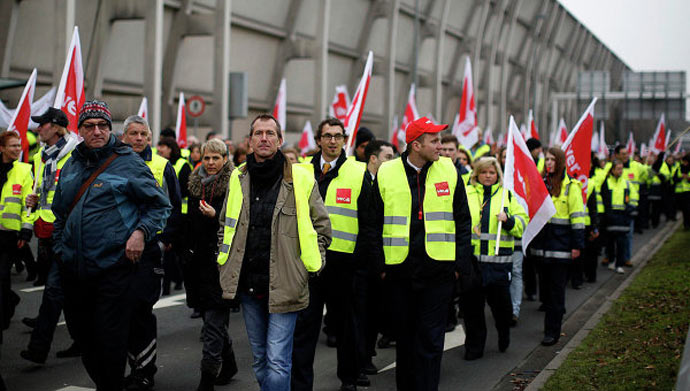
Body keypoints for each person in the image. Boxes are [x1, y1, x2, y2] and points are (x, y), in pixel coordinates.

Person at [51, 100, 171, 391]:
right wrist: (59, 246)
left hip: (113, 269)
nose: (97, 131)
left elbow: (160, 206)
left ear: (110, 129)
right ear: (79, 130)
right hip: (75, 269)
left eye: (103, 125)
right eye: (90, 126)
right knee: (83, 336)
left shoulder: (128, 163)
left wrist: (141, 233)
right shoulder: (70, 165)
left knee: (110, 339)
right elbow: (60, 212)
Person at [216, 114, 331, 391]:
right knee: (259, 360)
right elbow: (225, 225)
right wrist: (224, 262)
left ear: (280, 140)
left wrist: (305, 268)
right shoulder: (238, 177)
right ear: (250, 141)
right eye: (258, 133)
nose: (264, 138)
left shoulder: (301, 179)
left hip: (286, 284)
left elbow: (322, 228)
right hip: (249, 284)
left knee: (278, 361)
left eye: (270, 133)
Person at [368, 116, 472, 390]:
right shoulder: (387, 172)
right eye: (434, 140)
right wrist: (380, 265)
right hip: (398, 272)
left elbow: (463, 219)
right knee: (405, 340)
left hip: (438, 272)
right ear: (416, 145)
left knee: (430, 340)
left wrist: (459, 263)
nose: (441, 146)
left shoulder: (449, 170)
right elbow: (372, 222)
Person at [292, 117, 372, 391]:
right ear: (318, 140)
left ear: (344, 139)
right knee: (305, 327)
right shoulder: (301, 171)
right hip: (308, 261)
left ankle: (348, 378)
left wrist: (361, 260)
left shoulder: (359, 172)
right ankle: (301, 384)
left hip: (344, 262)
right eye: (328, 136)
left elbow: (369, 220)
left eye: (338, 136)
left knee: (345, 326)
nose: (333, 140)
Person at [120, 115, 183, 390]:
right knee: (123, 311)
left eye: (143, 134)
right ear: (123, 137)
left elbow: (174, 205)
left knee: (141, 309)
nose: (138, 138)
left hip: (149, 251)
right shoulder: (113, 164)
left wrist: (164, 240)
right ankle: (132, 367)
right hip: (117, 251)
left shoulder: (162, 166)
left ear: (149, 138)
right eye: (132, 133)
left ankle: (145, 370)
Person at [20, 108, 81, 365]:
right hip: (47, 230)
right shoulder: (42, 156)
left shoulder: (76, 155)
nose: (37, 129)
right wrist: (34, 199)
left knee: (54, 291)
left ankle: (38, 348)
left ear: (56, 128)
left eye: (42, 125)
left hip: (70, 232)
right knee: (69, 292)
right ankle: (83, 340)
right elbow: (44, 189)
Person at [185, 138, 238, 391]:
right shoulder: (194, 183)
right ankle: (229, 365)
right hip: (198, 262)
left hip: (222, 262)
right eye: (206, 158)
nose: (211, 163)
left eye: (216, 158)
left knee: (214, 323)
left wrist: (216, 216)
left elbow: (239, 222)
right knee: (209, 319)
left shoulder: (236, 183)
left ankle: (207, 378)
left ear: (225, 159)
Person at [462, 157, 528, 359]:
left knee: (502, 309)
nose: (488, 176)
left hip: (499, 264)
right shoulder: (466, 193)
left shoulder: (506, 195)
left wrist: (508, 220)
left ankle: (504, 332)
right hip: (473, 264)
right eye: (484, 172)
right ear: (477, 174)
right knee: (472, 310)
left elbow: (522, 223)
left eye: (491, 173)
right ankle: (474, 348)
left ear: (497, 175)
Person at [529, 147, 584, 346]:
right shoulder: (541, 184)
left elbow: (578, 219)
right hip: (541, 248)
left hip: (561, 248)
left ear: (560, 162)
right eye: (546, 159)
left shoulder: (572, 187)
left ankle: (552, 331)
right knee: (546, 292)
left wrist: (577, 245)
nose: (548, 162)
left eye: (552, 159)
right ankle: (552, 322)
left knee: (556, 292)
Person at [1, 130, 33, 338]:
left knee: (3, 275)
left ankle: (3, 317)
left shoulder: (24, 169)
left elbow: (27, 204)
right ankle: (10, 299)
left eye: (18, 145)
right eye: (12, 145)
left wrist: (26, 231)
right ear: (2, 148)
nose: (17, 149)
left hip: (10, 235)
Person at [156, 137, 191, 295]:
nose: (160, 148)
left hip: (182, 216)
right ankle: (167, 284)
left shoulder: (182, 165)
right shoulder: (158, 163)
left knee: (178, 253)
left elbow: (185, 191)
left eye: (164, 146)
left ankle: (178, 279)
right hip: (166, 214)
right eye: (159, 145)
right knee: (169, 254)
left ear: (171, 148)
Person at [600, 160, 634, 274]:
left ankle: (619, 264)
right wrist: (609, 215)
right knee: (610, 241)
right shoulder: (607, 182)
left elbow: (632, 197)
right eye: (618, 169)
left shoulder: (626, 183)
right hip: (611, 217)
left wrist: (629, 210)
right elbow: (605, 200)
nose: (620, 171)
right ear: (613, 170)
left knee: (621, 242)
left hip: (623, 217)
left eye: (621, 169)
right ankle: (611, 260)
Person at [672, 153, 690, 229]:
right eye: (684, 161)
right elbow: (674, 179)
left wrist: (688, 178)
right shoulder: (679, 169)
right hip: (680, 193)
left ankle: (687, 224)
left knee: (688, 209)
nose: (685, 163)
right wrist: (681, 178)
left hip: (688, 192)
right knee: (684, 210)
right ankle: (686, 225)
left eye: (686, 161)